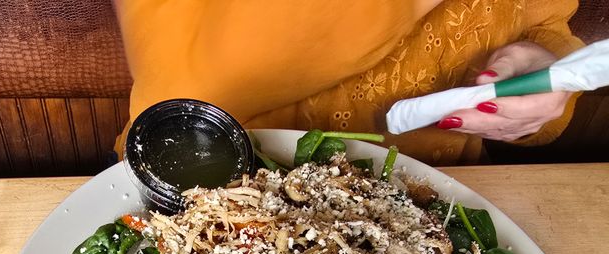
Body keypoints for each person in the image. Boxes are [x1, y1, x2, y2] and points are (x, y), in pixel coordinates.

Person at [113, 0, 582, 165]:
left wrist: (547, 76)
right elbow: (190, 84)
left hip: (439, 211)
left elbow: (546, 29)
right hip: (216, 196)